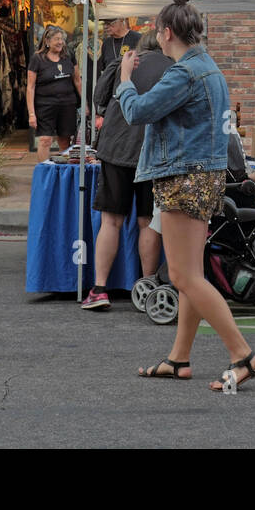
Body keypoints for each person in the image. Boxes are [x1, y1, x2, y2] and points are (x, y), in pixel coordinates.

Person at [118, 0, 255, 391]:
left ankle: (243, 355)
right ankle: (179, 359)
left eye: (157, 32)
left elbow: (137, 112)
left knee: (184, 276)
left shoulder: (183, 73)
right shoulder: (207, 67)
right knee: (191, 275)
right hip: (204, 176)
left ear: (167, 33)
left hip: (184, 177)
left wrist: (125, 82)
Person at [81, 31, 173, 310]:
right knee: (147, 222)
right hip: (151, 151)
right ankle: (147, 289)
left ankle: (99, 289)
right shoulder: (172, 68)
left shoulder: (122, 62)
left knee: (111, 221)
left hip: (116, 148)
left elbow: (99, 101)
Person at [28, 26, 81, 162]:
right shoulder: (37, 59)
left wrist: (85, 103)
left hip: (67, 104)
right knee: (45, 140)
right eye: (57, 39)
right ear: (47, 41)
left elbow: (77, 80)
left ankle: (62, 174)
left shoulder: (69, 56)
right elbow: (30, 87)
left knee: (64, 141)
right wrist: (31, 114)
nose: (60, 42)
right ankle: (44, 173)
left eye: (62, 39)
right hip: (45, 105)